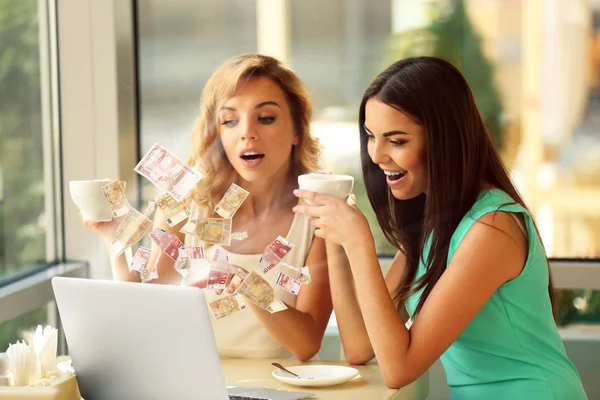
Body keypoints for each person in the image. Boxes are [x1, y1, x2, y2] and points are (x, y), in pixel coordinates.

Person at [293, 57, 587, 399]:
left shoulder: (493, 228)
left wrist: (360, 243)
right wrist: (334, 237)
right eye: (371, 136)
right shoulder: (432, 223)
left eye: (397, 140)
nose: (376, 155)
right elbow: (360, 346)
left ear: (444, 139)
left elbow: (398, 369)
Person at [84, 53, 332, 361]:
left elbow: (307, 344)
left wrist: (248, 283)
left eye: (266, 118)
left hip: (276, 388)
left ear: (298, 130)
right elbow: (142, 300)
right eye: (229, 121)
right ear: (218, 133)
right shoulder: (187, 200)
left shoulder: (319, 215)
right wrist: (115, 240)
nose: (246, 133)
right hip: (190, 378)